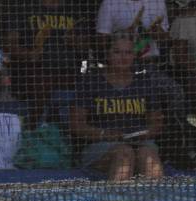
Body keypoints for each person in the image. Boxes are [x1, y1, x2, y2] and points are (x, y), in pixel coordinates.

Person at [70, 35, 164, 180]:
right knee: (124, 154)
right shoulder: (90, 82)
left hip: (140, 144)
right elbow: (76, 125)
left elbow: (156, 124)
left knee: (148, 156)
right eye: (117, 52)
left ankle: (154, 195)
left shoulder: (145, 83)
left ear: (134, 55)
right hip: (101, 147)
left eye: (128, 52)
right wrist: (104, 134)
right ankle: (119, 195)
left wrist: (144, 134)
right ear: (107, 54)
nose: (123, 57)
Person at [4, 0, 96, 129]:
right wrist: (29, 54)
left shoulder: (76, 9)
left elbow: (88, 49)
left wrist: (78, 42)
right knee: (41, 81)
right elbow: (9, 45)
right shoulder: (24, 7)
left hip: (69, 74)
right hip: (33, 74)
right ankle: (34, 127)